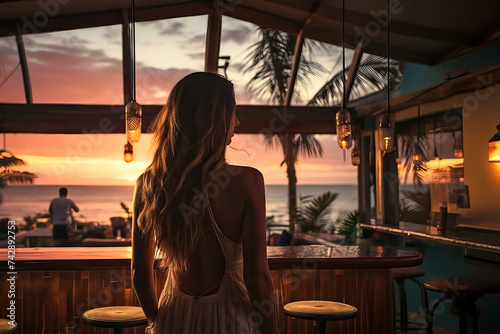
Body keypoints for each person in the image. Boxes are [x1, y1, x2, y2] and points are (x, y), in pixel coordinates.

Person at [132, 72, 279, 334]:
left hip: (174, 317)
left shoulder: (147, 184)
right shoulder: (247, 181)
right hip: (232, 319)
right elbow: (257, 277)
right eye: (232, 113)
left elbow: (140, 274)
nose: (237, 121)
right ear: (216, 121)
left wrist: (157, 321)